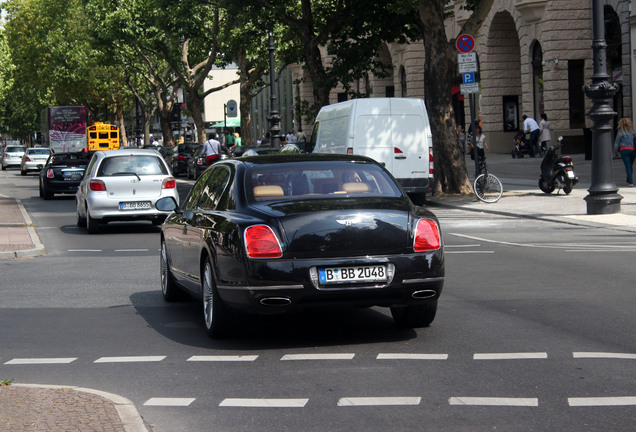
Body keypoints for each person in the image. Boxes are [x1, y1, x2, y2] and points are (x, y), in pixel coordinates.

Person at [613, 117, 636, 187]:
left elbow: (617, 142)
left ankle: (630, 182)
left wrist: (615, 151)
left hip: (624, 150)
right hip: (633, 150)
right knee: (630, 165)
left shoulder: (620, 132)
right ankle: (629, 179)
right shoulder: (633, 131)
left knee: (627, 166)